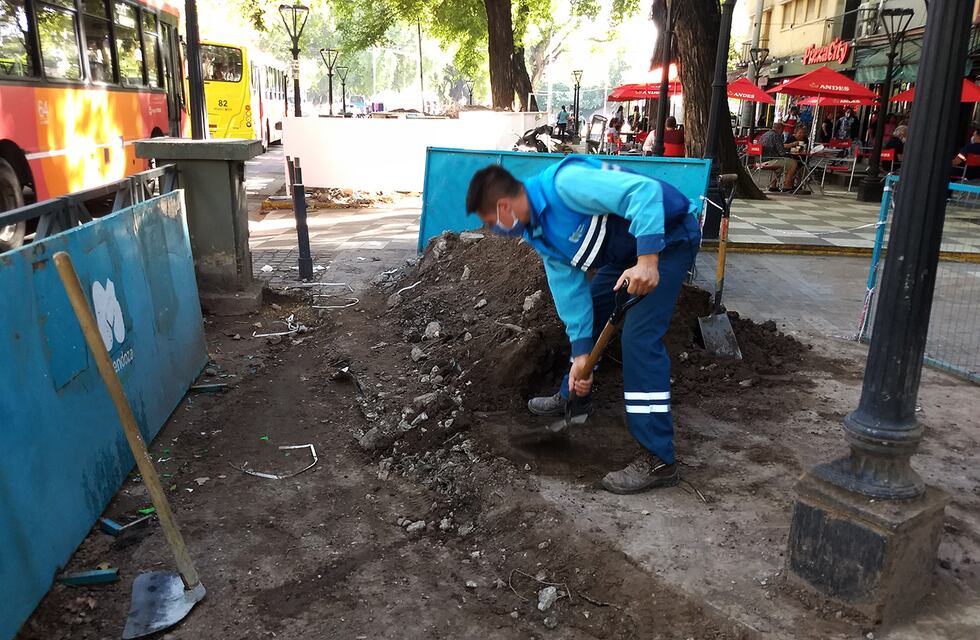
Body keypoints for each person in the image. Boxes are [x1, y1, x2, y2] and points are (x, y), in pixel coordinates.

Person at [465, 158, 701, 493]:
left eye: (491, 222)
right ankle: (575, 396)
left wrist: (648, 260)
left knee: (639, 340)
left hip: (668, 239)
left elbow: (644, 192)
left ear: (504, 207)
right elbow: (569, 293)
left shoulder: (566, 185)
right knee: (593, 311)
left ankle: (659, 459)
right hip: (624, 255)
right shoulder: (539, 232)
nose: (494, 230)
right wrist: (580, 356)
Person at [758, 121, 801, 193]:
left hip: (761, 160)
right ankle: (787, 186)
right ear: (779, 128)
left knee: (781, 165)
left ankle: (773, 186)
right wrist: (790, 147)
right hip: (771, 160)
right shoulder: (776, 136)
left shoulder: (764, 135)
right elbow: (782, 152)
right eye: (782, 130)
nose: (782, 132)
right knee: (793, 163)